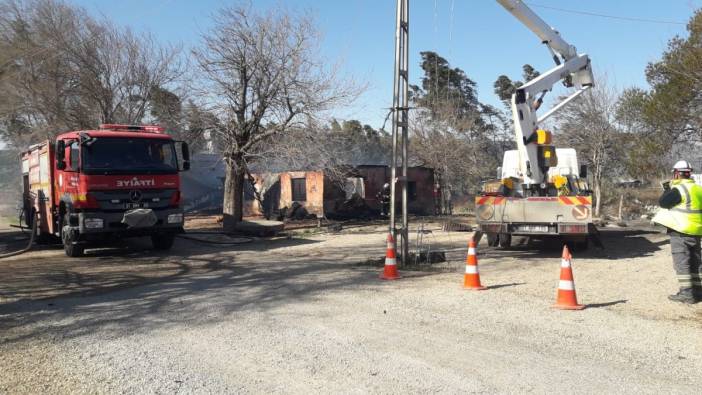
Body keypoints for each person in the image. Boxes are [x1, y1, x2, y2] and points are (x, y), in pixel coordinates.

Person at [652, 160, 702, 304]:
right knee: (696, 262)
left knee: (682, 263)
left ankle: (686, 294)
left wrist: (667, 188)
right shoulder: (698, 189)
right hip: (697, 231)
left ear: (676, 174)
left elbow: (663, 202)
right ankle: (698, 292)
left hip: (681, 231)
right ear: (689, 173)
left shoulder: (678, 190)